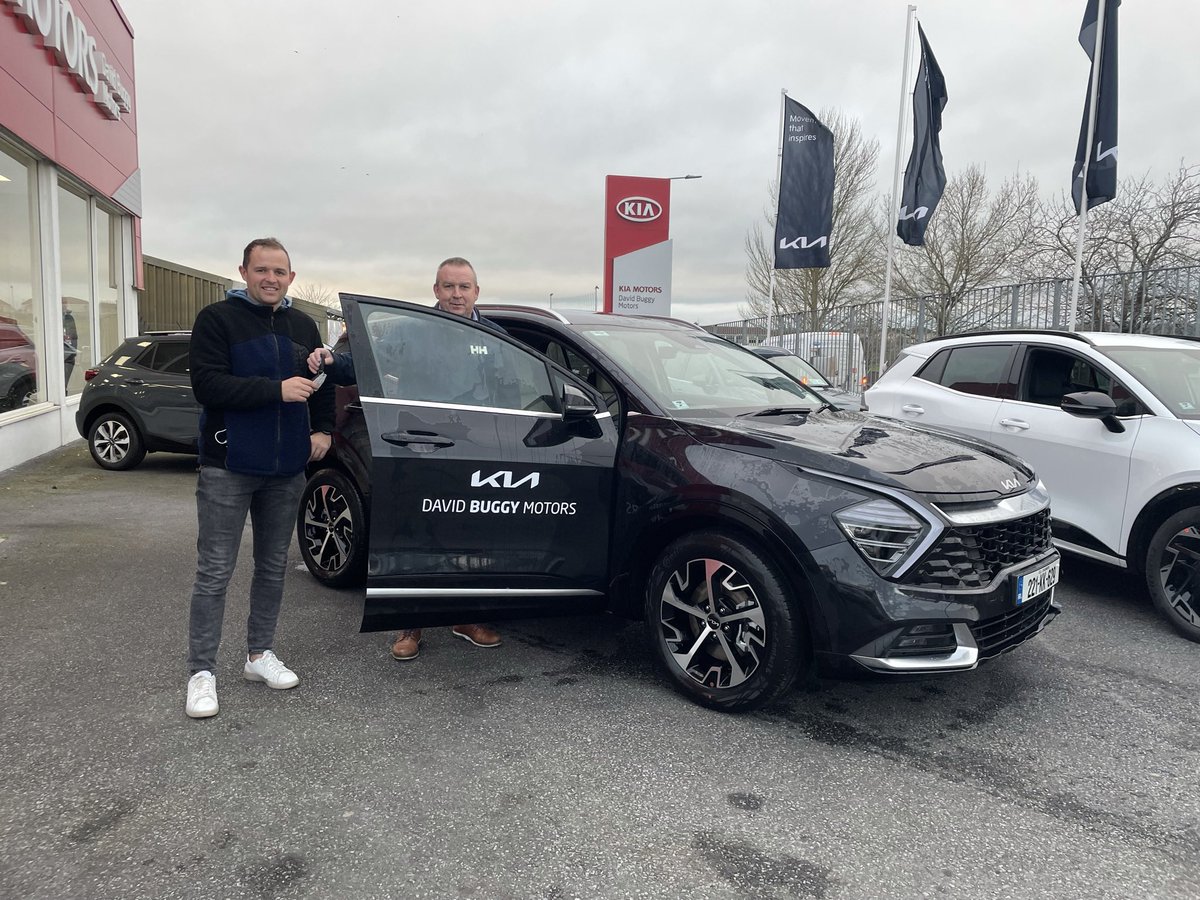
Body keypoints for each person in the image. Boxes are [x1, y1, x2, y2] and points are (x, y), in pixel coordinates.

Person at [307, 257, 503, 661]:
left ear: (476, 292)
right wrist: (332, 361)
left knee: (471, 533)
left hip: (475, 447)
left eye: (464, 287)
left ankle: (467, 618)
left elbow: (513, 387)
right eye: (448, 286)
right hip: (420, 443)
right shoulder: (411, 332)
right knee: (416, 534)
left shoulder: (496, 338)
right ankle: (410, 624)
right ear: (435, 290)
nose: (456, 295)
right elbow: (365, 363)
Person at [184, 238, 334, 719]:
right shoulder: (217, 319)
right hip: (228, 465)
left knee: (271, 567)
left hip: (285, 468)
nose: (271, 278)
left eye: (279, 271)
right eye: (262, 270)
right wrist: (275, 390)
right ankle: (201, 673)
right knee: (215, 572)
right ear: (244, 271)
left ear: (291, 277)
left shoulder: (302, 325)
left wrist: (323, 428)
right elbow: (207, 385)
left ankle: (258, 655)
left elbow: (320, 382)